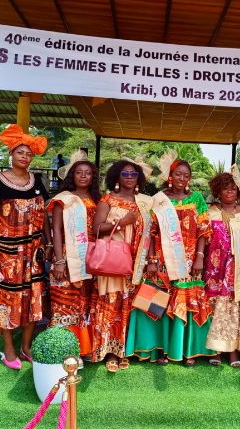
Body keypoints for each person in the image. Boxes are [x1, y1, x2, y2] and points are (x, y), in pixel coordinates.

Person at [126, 154, 215, 367]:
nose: (181, 179)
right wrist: (152, 260)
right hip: (164, 260)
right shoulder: (159, 200)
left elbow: (203, 231)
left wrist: (200, 257)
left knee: (187, 302)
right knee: (161, 302)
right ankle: (163, 349)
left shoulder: (197, 199)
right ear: (170, 176)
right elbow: (152, 232)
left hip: (190, 260)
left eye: (186, 175)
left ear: (190, 178)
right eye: (178, 174)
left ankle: (188, 350)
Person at [0, 124, 51, 369]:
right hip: (7, 253)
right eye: (20, 153)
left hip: (34, 252)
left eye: (28, 153)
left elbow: (46, 215)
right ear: (11, 154)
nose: (24, 157)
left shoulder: (37, 180)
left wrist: (49, 245)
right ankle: (8, 348)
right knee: (8, 299)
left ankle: (26, 346)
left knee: (33, 299)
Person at [91, 159, 154, 372]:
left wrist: (151, 260)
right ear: (116, 177)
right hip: (114, 261)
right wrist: (122, 223)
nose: (129, 177)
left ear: (139, 178)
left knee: (132, 305)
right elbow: (97, 229)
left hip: (137, 261)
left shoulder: (144, 202)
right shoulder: (108, 199)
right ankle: (110, 351)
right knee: (112, 304)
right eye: (125, 174)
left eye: (133, 174)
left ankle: (126, 349)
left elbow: (152, 233)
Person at [47, 151, 101, 361]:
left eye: (88, 173)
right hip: (67, 260)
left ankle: (84, 348)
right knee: (65, 302)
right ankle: (63, 350)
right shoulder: (63, 200)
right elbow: (57, 231)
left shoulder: (97, 200)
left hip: (89, 259)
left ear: (92, 178)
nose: (83, 176)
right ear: (72, 175)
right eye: (79, 172)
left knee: (85, 303)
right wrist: (59, 260)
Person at [203, 167, 240, 367]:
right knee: (216, 308)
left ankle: (234, 350)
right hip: (215, 269)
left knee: (235, 308)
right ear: (218, 191)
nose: (229, 192)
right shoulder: (210, 213)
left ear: (239, 192)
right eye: (225, 188)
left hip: (239, 270)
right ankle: (215, 349)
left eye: (233, 189)